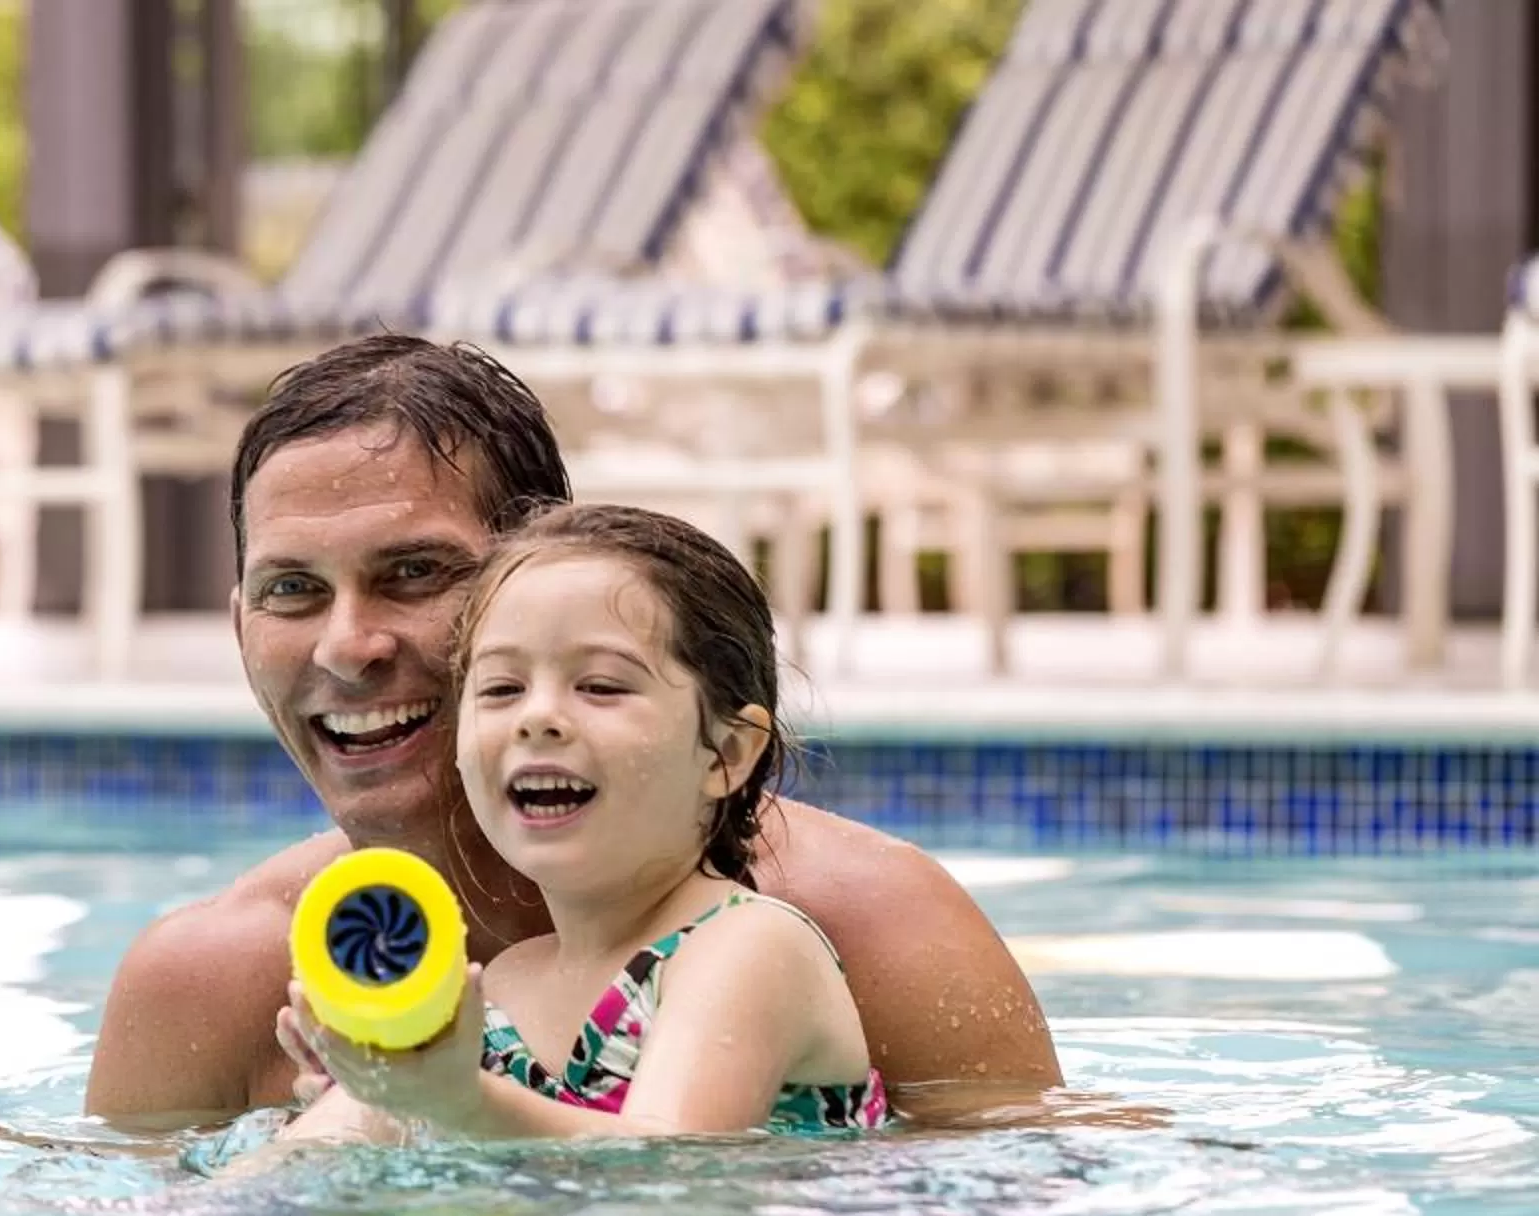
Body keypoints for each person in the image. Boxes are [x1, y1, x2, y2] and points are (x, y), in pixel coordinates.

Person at [86, 334, 1061, 1129]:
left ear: (546, 576)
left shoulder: (859, 920)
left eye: (416, 572)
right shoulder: (212, 981)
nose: (348, 646)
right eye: (292, 590)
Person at [277, 503, 886, 1145]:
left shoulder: (749, 947)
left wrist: (456, 1102)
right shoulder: (505, 982)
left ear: (727, 753)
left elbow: (676, 1169)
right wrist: (376, 1097)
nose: (537, 718)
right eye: (501, 690)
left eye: (599, 686)